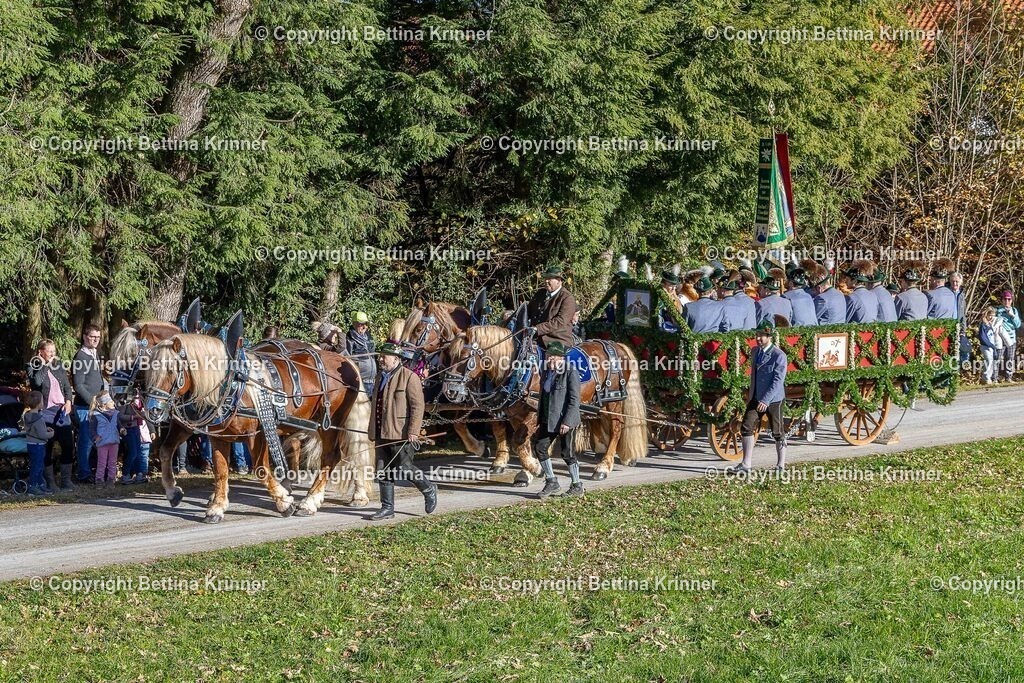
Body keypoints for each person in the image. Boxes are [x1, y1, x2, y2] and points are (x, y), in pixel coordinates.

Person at [368, 342, 436, 521]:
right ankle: (387, 508)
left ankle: (428, 488)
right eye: (381, 356)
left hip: (401, 433)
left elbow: (418, 406)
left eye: (385, 357)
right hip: (381, 432)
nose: (381, 359)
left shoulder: (409, 377)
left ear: (396, 359)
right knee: (383, 471)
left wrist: (413, 431)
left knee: (405, 469)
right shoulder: (379, 377)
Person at [728, 319, 788, 474]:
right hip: (756, 397)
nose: (758, 338)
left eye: (762, 335)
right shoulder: (755, 352)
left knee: (777, 431)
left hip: (774, 400)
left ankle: (781, 465)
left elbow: (777, 381)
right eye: (757, 334)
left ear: (770, 337)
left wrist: (766, 400)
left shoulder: (779, 356)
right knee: (746, 426)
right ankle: (746, 464)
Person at [533, 340, 584, 499]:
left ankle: (577, 486)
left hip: (564, 421)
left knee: (567, 453)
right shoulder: (546, 371)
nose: (550, 360)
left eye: (553, 358)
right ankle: (552, 482)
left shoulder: (570, 371)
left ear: (561, 358)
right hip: (547, 418)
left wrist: (567, 422)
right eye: (548, 357)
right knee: (540, 447)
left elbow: (574, 400)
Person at [26, 339, 75, 490]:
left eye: (54, 351)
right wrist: (44, 365)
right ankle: (50, 481)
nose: (53, 354)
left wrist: (68, 401)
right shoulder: (32, 365)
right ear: (41, 351)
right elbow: (37, 383)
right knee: (47, 447)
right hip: (45, 411)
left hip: (61, 411)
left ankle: (66, 481)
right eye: (50, 351)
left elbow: (67, 386)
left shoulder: (58, 365)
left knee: (68, 445)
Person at [72, 325, 104, 483]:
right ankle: (83, 474)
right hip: (84, 407)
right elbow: (78, 385)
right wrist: (92, 401)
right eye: (92, 337)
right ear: (84, 337)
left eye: (98, 337)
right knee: (86, 441)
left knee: (96, 440)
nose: (96, 340)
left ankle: (93, 470)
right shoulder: (80, 357)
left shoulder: (95, 354)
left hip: (97, 405)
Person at [527, 264, 578, 350]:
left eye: (549, 278)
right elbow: (528, 311)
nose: (546, 281)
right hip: (535, 339)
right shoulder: (540, 294)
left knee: (551, 362)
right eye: (545, 278)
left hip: (557, 341)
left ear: (559, 280)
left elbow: (560, 321)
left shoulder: (567, 298)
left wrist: (537, 329)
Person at [23, 391, 54, 495]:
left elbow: (34, 430)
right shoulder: (39, 418)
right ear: (39, 403)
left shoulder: (28, 416)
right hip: (39, 445)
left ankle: (39, 484)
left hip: (31, 444)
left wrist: (45, 428)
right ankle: (34, 485)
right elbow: (42, 435)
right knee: (38, 466)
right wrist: (51, 434)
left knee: (36, 465)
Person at [89, 391, 123, 487]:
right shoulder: (96, 415)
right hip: (102, 442)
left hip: (114, 441)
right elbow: (92, 428)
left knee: (113, 461)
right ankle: (99, 480)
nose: (113, 403)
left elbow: (119, 424)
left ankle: (111, 480)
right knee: (102, 462)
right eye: (111, 401)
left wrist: (122, 429)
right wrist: (95, 436)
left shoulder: (115, 413)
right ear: (104, 404)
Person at [343, 311, 377, 396]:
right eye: (361, 324)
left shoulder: (369, 337)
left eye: (366, 323)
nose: (364, 326)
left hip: (372, 380)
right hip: (360, 381)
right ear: (354, 324)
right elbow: (347, 359)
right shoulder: (349, 339)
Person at [996, 290, 1021, 383]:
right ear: (1002, 300)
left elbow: (1018, 325)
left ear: (1012, 300)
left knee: (1010, 358)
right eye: (1005, 299)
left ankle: (1008, 377)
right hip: (1000, 338)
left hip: (1011, 339)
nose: (1007, 301)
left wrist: (1012, 315)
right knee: (998, 358)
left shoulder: (1014, 310)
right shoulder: (998, 310)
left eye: (1009, 299)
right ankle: (996, 376)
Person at [979, 307, 1000, 385]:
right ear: (986, 315)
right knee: (989, 360)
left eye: (993, 315)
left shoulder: (990, 325)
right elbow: (982, 337)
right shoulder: (983, 325)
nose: (991, 317)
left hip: (991, 346)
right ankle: (985, 377)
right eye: (990, 315)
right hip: (985, 346)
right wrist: (990, 345)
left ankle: (988, 377)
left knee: (991, 361)